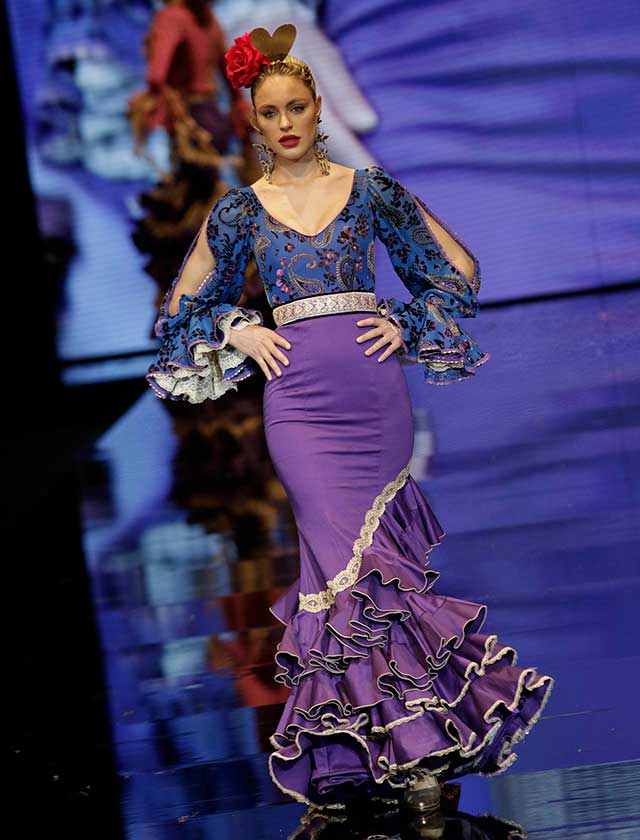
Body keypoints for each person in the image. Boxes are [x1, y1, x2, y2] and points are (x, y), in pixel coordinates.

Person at [145, 24, 555, 813]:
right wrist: (237, 327)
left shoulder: (370, 190)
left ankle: (401, 743)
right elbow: (181, 305)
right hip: (297, 408)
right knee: (340, 575)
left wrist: (405, 318)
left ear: (316, 107)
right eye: (270, 112)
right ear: (254, 121)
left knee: (380, 577)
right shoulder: (240, 212)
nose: (286, 122)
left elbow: (456, 269)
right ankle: (399, 742)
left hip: (373, 401)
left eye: (296, 107)